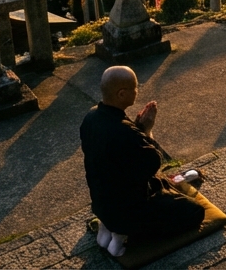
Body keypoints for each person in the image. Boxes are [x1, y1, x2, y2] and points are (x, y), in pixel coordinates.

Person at [81, 66, 205, 257]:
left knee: (152, 184)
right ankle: (123, 236)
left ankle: (106, 229)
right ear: (121, 94)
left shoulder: (91, 117)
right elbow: (154, 161)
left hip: (102, 203)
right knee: (195, 213)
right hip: (131, 211)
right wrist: (146, 130)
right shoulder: (126, 133)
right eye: (135, 88)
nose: (137, 91)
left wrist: (136, 128)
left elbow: (118, 157)